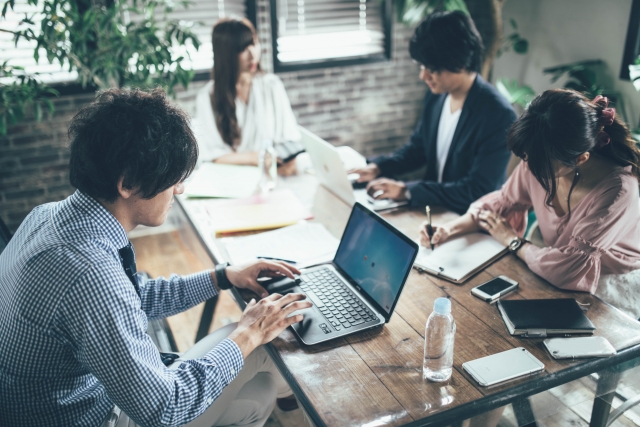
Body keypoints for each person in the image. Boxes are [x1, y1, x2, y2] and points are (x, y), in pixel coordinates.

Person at [0, 88, 312, 427]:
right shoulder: (89, 271)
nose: (179, 189)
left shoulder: (48, 216)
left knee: (260, 394)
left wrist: (223, 276)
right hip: (101, 417)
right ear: (128, 183)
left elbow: (125, 299)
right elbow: (165, 409)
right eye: (174, 177)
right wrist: (247, 334)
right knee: (259, 346)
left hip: (79, 401)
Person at [420, 89, 640, 319]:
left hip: (608, 283)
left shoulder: (618, 191)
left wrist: (512, 241)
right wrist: (448, 230)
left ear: (580, 158)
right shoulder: (538, 157)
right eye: (526, 157)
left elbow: (567, 268)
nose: (527, 166)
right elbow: (501, 205)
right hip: (549, 264)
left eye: (536, 163)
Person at [350, 11, 517, 214]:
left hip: (470, 220)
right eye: (422, 66)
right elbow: (417, 148)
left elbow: (477, 190)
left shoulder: (499, 116)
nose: (423, 75)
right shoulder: (437, 95)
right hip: (432, 212)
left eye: (432, 68)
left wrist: (406, 190)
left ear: (460, 63)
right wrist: (379, 167)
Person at [192, 17, 300, 176]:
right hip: (230, 180)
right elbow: (212, 156)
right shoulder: (207, 97)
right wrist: (254, 157)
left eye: (254, 43)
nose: (253, 55)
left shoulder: (272, 86)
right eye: (242, 49)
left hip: (272, 177)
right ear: (226, 53)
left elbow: (290, 141)